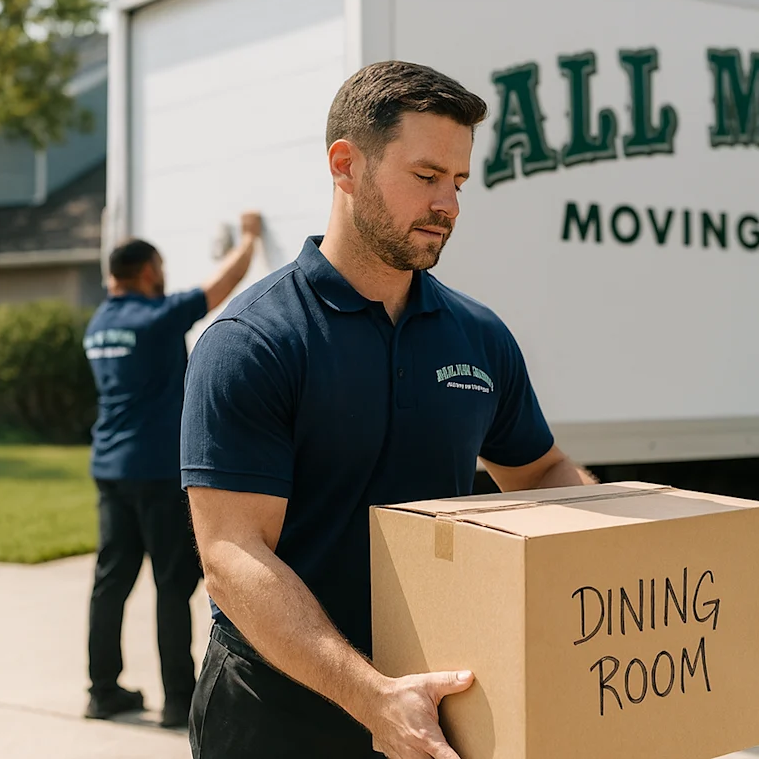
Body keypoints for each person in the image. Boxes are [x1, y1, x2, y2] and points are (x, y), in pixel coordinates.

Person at [178, 60, 596, 758]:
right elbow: (231, 553)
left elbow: (541, 468)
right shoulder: (253, 342)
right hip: (278, 710)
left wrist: (616, 549)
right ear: (346, 166)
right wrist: (373, 696)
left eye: (459, 183)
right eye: (427, 176)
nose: (449, 205)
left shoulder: (478, 335)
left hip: (435, 703)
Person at [82, 211, 262, 728]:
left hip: (110, 469)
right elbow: (221, 285)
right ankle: (178, 702)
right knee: (171, 584)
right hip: (157, 471)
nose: (163, 275)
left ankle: (102, 690)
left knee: (110, 582)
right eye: (158, 267)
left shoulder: (99, 326)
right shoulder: (156, 317)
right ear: (144, 272)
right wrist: (248, 239)